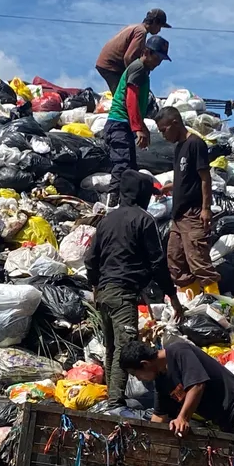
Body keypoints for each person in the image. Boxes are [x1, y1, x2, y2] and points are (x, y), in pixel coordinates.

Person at [84, 171, 184, 404]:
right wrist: (172, 295)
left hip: (104, 294)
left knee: (111, 348)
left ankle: (112, 396)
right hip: (123, 292)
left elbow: (90, 259)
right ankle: (115, 402)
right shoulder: (143, 219)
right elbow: (157, 262)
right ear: (142, 194)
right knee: (124, 347)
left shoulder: (107, 220)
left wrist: (96, 285)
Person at [156, 106, 218, 301]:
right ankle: (191, 302)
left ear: (175, 123)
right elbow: (187, 177)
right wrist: (171, 187)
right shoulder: (179, 148)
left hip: (193, 213)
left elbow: (204, 177)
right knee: (175, 261)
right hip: (179, 216)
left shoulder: (195, 144)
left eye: (163, 130)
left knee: (198, 261)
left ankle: (216, 306)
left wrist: (206, 208)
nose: (162, 135)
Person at [103, 35, 170, 188]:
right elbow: (131, 100)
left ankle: (126, 206)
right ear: (147, 52)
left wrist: (143, 128)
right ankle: (113, 202)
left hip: (124, 125)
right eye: (157, 57)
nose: (158, 63)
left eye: (161, 59)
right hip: (118, 124)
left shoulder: (144, 72)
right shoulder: (138, 68)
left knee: (131, 170)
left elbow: (138, 107)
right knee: (122, 166)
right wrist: (137, 128)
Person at [94, 8, 171, 93]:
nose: (159, 30)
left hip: (108, 63)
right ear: (155, 22)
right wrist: (134, 77)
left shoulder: (135, 27)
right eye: (160, 26)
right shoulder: (141, 32)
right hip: (111, 65)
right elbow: (129, 58)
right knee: (122, 97)